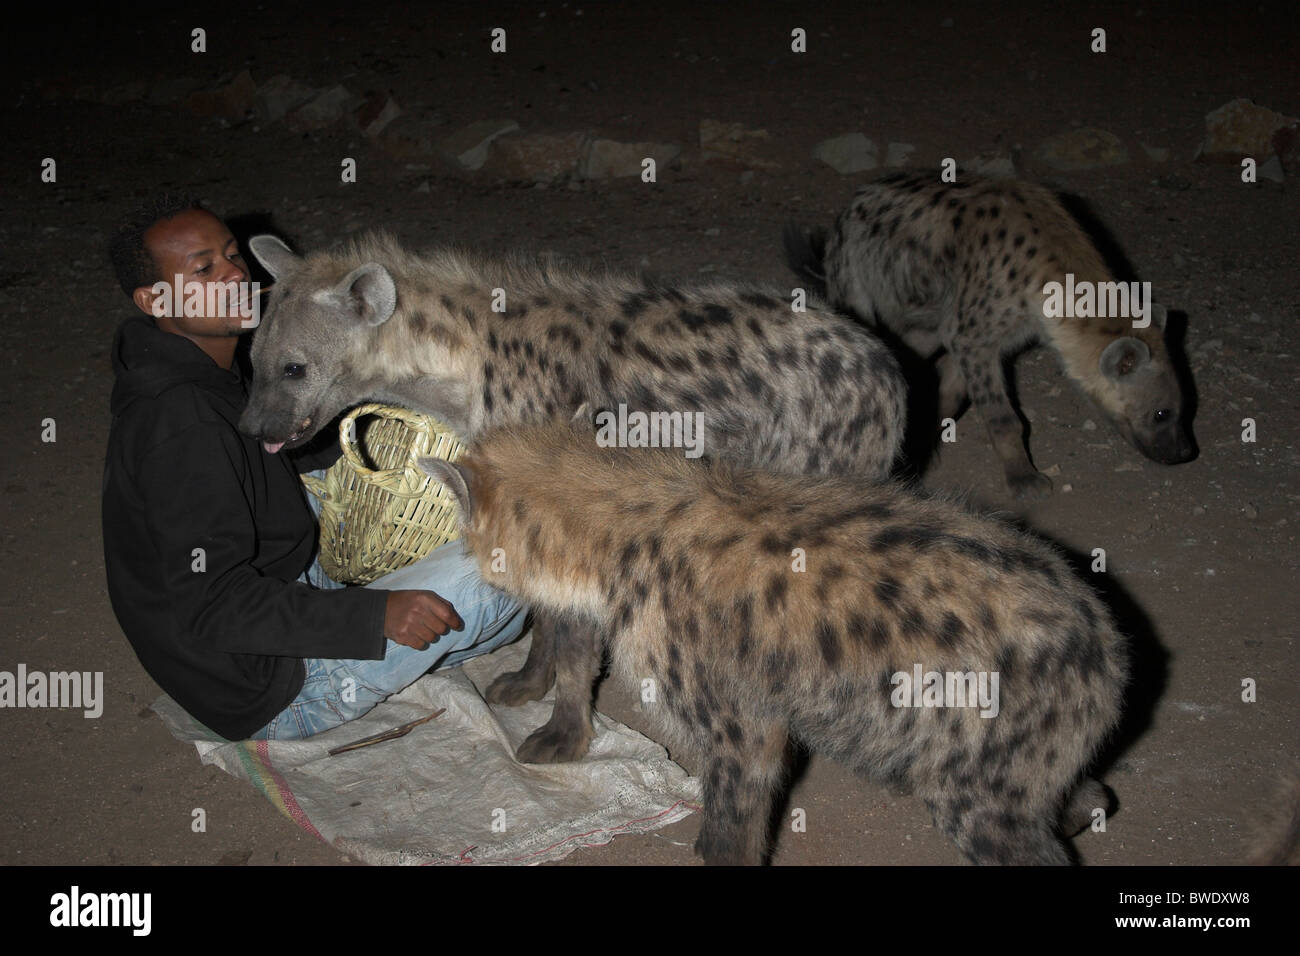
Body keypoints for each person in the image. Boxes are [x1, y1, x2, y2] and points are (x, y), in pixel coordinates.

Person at [102, 195, 527, 741]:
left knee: (419, 470)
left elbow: (267, 455)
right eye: (204, 268)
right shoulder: (181, 426)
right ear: (155, 299)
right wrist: (373, 615)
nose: (234, 273)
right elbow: (211, 605)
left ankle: (399, 626)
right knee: (517, 553)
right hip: (272, 686)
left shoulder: (198, 363)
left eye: (231, 254)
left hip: (280, 586)